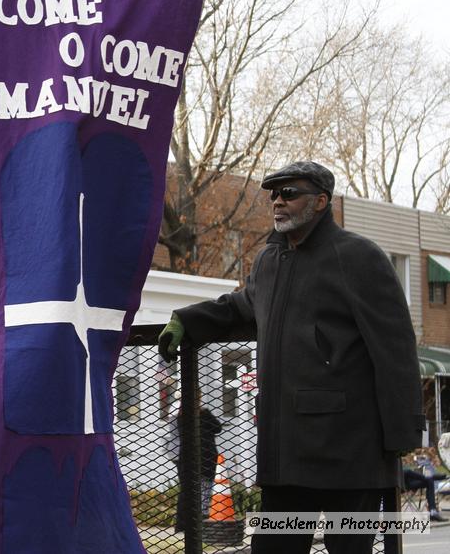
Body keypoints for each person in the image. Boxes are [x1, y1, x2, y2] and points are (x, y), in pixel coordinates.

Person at [158, 161, 423, 554]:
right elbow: (240, 305)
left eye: (290, 193)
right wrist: (186, 319)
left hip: (349, 451)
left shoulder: (358, 256)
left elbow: (396, 347)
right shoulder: (268, 261)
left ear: (320, 201)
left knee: (349, 549)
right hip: (285, 453)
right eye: (274, 195)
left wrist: (403, 432)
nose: (278, 201)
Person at [173, 407, 222, 531]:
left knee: (187, 490)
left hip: (186, 456)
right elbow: (217, 428)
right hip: (206, 455)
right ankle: (200, 523)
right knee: (205, 489)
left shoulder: (179, 415)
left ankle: (184, 524)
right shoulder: (203, 413)